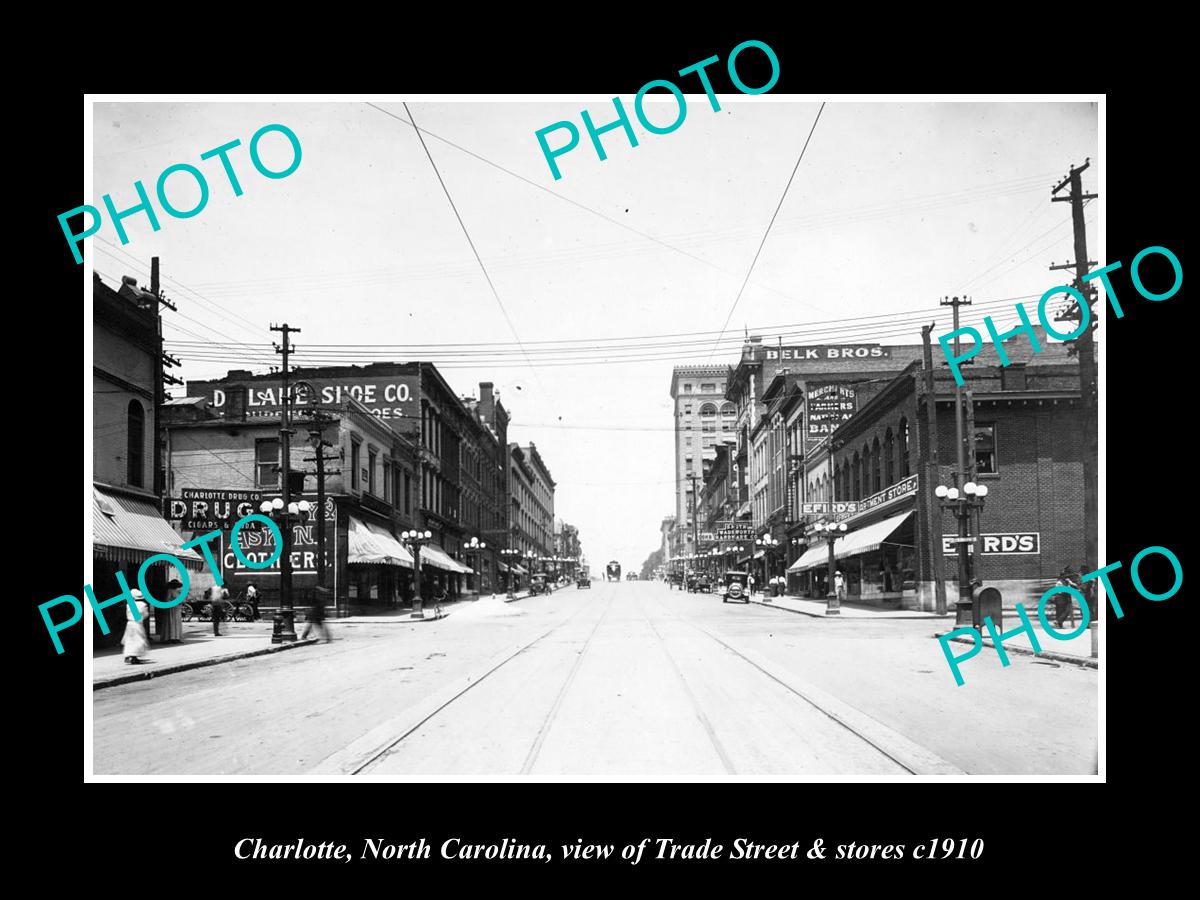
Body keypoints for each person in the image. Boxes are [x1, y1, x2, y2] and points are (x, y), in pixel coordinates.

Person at [123, 589, 151, 664]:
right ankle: (134, 656)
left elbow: (127, 615)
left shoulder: (129, 605)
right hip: (138, 624)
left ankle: (128, 655)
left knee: (130, 640)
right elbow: (145, 614)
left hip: (130, 624)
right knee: (138, 640)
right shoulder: (143, 605)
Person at [159, 578, 185, 643]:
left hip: (177, 609)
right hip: (171, 609)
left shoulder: (179, 592)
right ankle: (169, 637)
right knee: (170, 622)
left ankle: (176, 637)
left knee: (176, 622)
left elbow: (182, 600)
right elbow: (167, 600)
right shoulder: (170, 591)